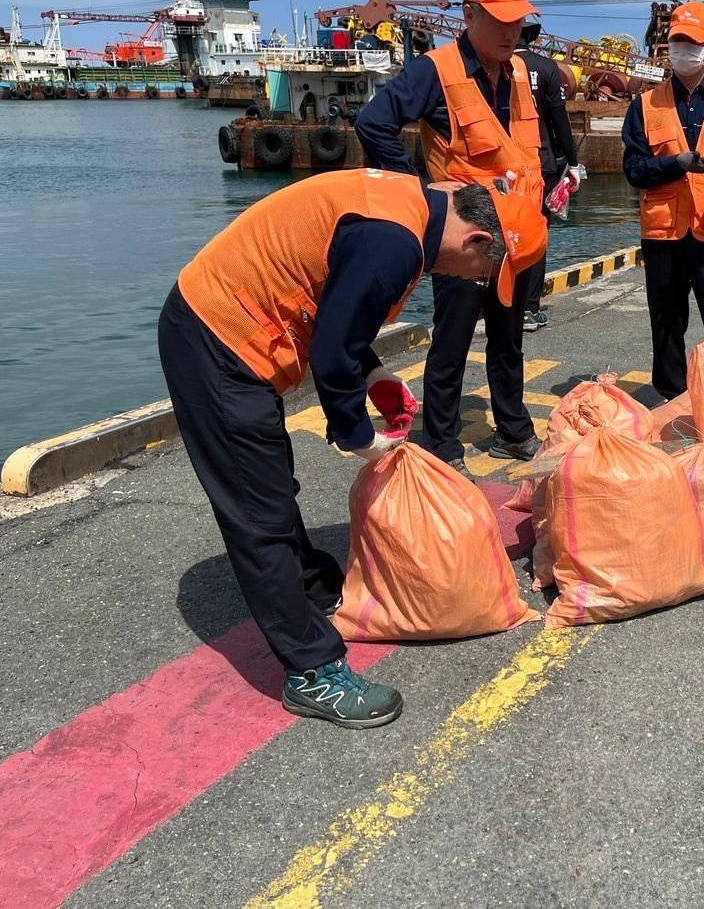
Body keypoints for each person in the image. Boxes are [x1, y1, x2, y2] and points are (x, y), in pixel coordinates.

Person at [158, 170, 542, 728]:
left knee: (268, 479)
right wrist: (360, 438)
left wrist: (377, 377)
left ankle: (312, 585)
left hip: (235, 323)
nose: (479, 284)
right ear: (478, 240)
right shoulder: (395, 241)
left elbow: (336, 307)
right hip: (215, 334)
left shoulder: (413, 210)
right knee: (257, 508)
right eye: (487, 276)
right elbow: (334, 350)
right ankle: (312, 672)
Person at [355, 0, 548, 477]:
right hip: (466, 237)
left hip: (518, 231)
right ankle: (442, 443)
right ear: (469, 14)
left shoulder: (521, 72)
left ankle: (514, 429)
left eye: (518, 21)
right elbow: (374, 123)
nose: (512, 32)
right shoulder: (434, 71)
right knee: (453, 339)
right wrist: (419, 196)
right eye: (501, 20)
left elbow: (525, 148)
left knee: (509, 338)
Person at [621, 1, 704, 399]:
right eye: (677, 41)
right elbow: (634, 169)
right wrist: (675, 163)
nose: (683, 50)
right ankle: (672, 397)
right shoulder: (644, 105)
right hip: (663, 233)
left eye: (692, 43)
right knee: (666, 322)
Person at [515, 15, 585, 334]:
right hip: (539, 164)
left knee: (500, 235)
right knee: (536, 235)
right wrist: (572, 161)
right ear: (531, 35)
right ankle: (529, 310)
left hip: (496, 168)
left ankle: (498, 305)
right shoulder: (545, 69)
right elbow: (559, 121)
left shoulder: (489, 65)